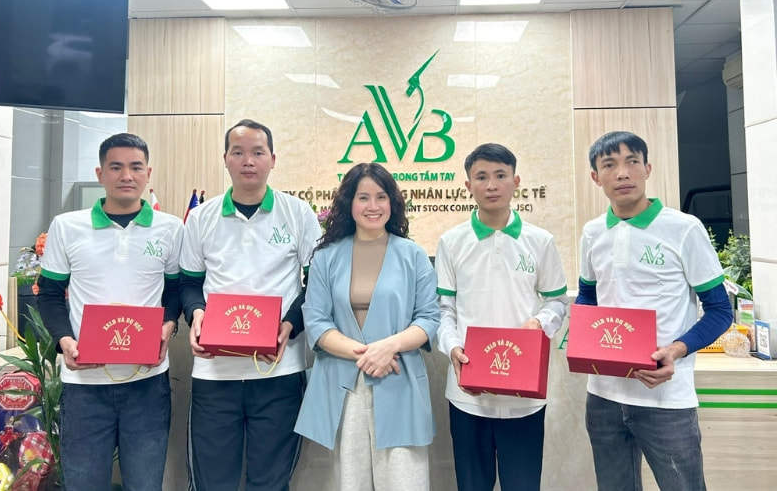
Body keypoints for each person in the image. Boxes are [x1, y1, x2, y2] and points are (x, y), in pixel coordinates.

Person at [575, 130, 733, 491]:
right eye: (609, 165)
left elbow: (720, 310)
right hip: (603, 396)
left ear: (647, 168)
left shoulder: (684, 229)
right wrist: (584, 341)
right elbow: (587, 296)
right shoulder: (592, 232)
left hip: (666, 397)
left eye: (632, 162)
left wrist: (675, 351)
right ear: (596, 177)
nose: (622, 173)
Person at [180, 118, 322, 491]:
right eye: (238, 152)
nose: (248, 161)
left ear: (272, 159)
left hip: (279, 371)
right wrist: (196, 314)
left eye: (258, 152)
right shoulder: (201, 217)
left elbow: (318, 284)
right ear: (225, 159)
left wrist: (290, 324)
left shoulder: (298, 213)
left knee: (270, 482)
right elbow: (189, 283)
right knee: (212, 483)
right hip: (215, 374)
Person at [37, 132, 183, 490]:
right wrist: (65, 341)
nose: (126, 176)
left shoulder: (171, 228)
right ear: (100, 174)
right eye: (116, 167)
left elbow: (176, 290)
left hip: (147, 382)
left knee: (145, 484)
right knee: (83, 484)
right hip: (85, 385)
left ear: (148, 173)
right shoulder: (67, 226)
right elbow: (50, 295)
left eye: (136, 167)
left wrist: (169, 324)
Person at [294, 162, 440, 491]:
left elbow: (429, 317)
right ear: (349, 203)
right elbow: (316, 319)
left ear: (392, 202)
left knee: (405, 482)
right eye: (363, 197)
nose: (373, 206)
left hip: (399, 378)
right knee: (352, 482)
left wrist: (389, 347)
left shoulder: (413, 255)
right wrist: (369, 354)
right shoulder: (326, 257)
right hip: (345, 383)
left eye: (381, 196)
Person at [435, 143, 568, 491]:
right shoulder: (451, 242)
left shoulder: (540, 241)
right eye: (481, 177)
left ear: (515, 181)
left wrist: (540, 323)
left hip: (524, 397)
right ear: (468, 186)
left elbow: (557, 302)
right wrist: (452, 347)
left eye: (500, 175)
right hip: (467, 394)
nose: (491, 185)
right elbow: (444, 310)